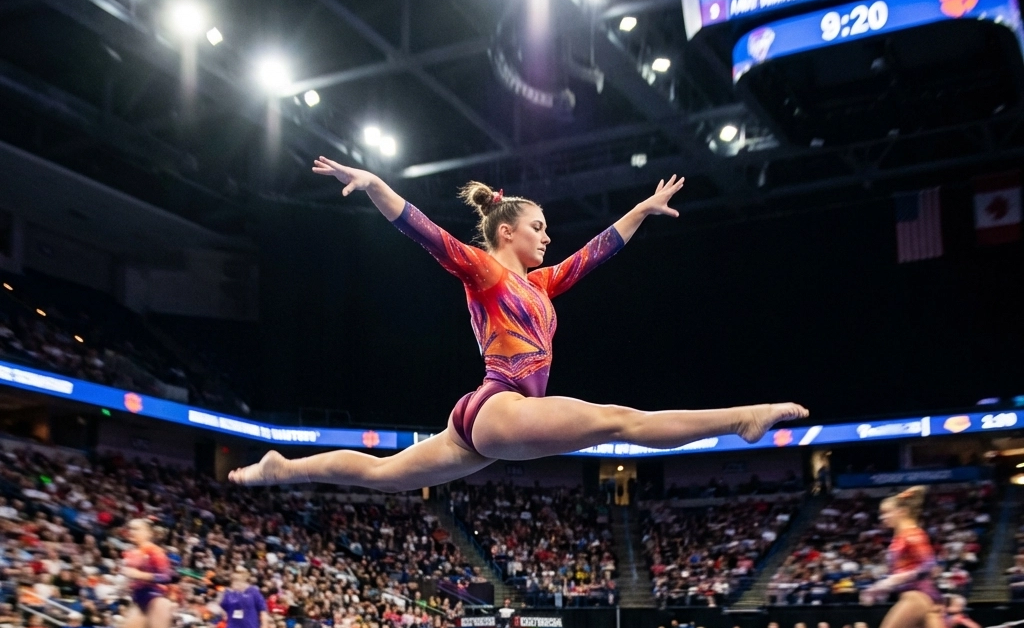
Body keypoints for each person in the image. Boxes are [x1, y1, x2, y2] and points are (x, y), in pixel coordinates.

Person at [228, 163, 807, 493]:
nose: (547, 236)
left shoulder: (543, 282)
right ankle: (740, 419)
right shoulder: (483, 270)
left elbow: (596, 252)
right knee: (620, 421)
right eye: (539, 226)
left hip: (484, 416)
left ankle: (285, 468)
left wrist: (642, 211)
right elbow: (424, 232)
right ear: (507, 232)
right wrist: (377, 185)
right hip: (501, 402)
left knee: (385, 478)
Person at [859, 487, 982, 628]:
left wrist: (890, 582)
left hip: (917, 596)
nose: (883, 518)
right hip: (921, 597)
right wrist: (881, 587)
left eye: (887, 513)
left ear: (902, 511)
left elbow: (929, 565)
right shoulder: (900, 536)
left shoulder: (912, 534)